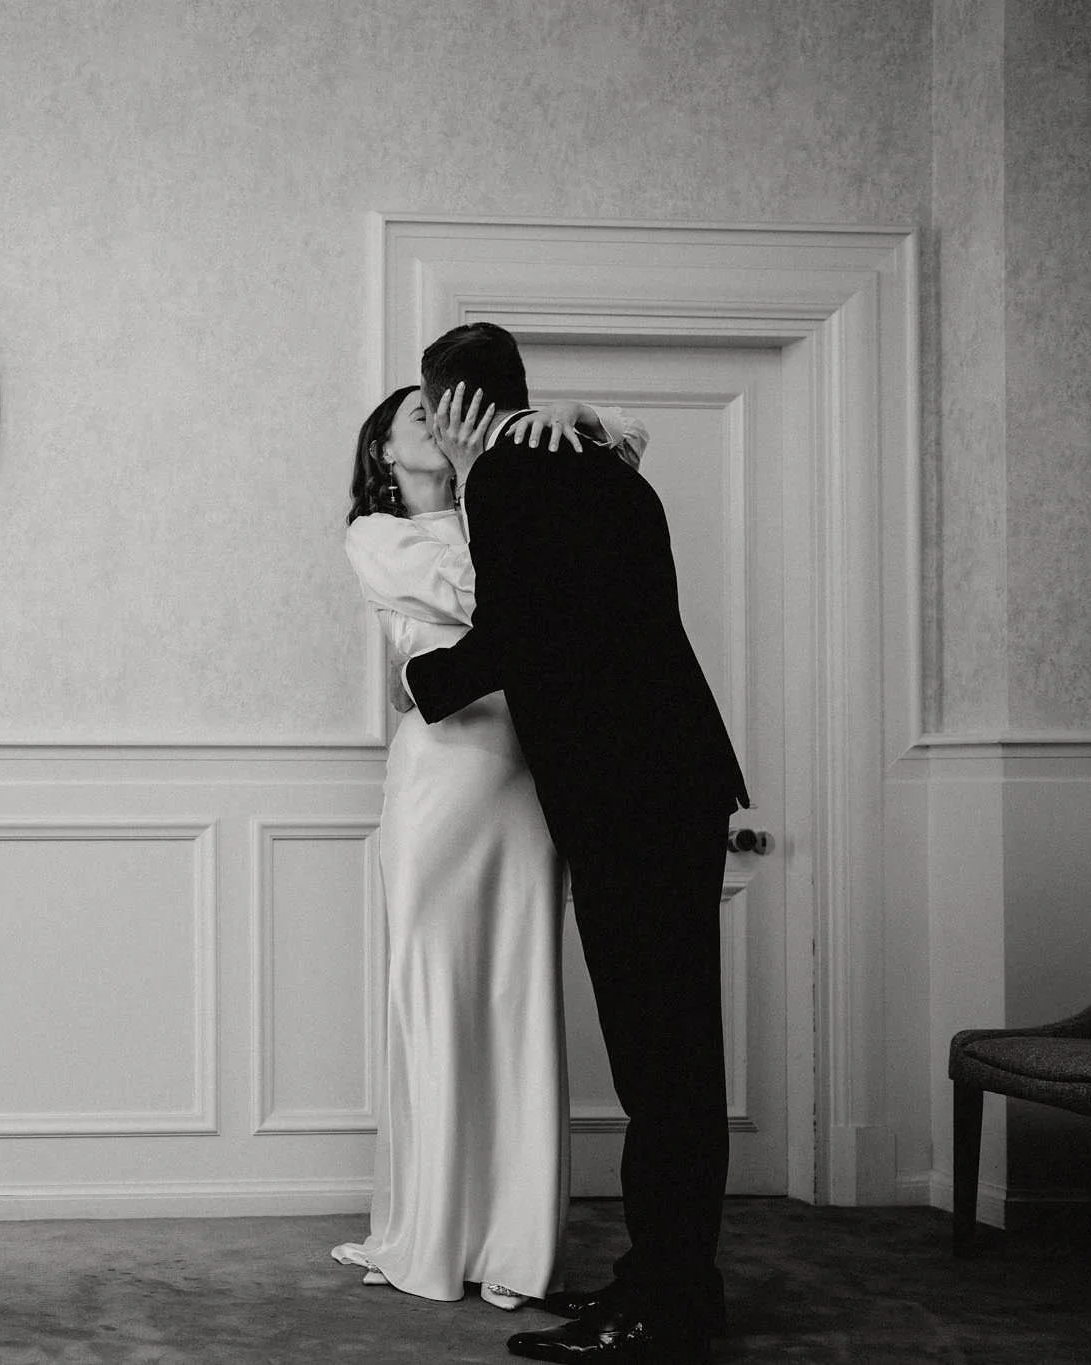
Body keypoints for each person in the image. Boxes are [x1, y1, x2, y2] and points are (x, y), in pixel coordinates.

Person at [403, 323, 748, 1365]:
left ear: (452, 406)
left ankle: (664, 1308)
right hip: (668, 784)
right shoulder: (596, 466)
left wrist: (421, 682)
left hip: (629, 795)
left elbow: (517, 633)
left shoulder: (510, 476)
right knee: (674, 1055)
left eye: (430, 414)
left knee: (660, 1063)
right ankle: (669, 1281)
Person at [333, 386, 648, 1310]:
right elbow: (495, 596)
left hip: (529, 774)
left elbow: (622, 456)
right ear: (384, 453)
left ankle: (517, 1246)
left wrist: (570, 415)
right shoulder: (376, 535)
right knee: (436, 993)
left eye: (445, 411)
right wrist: (512, 534)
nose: (439, 424)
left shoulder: (504, 501)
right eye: (417, 419)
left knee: (519, 995)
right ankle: (431, 1233)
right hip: (441, 778)